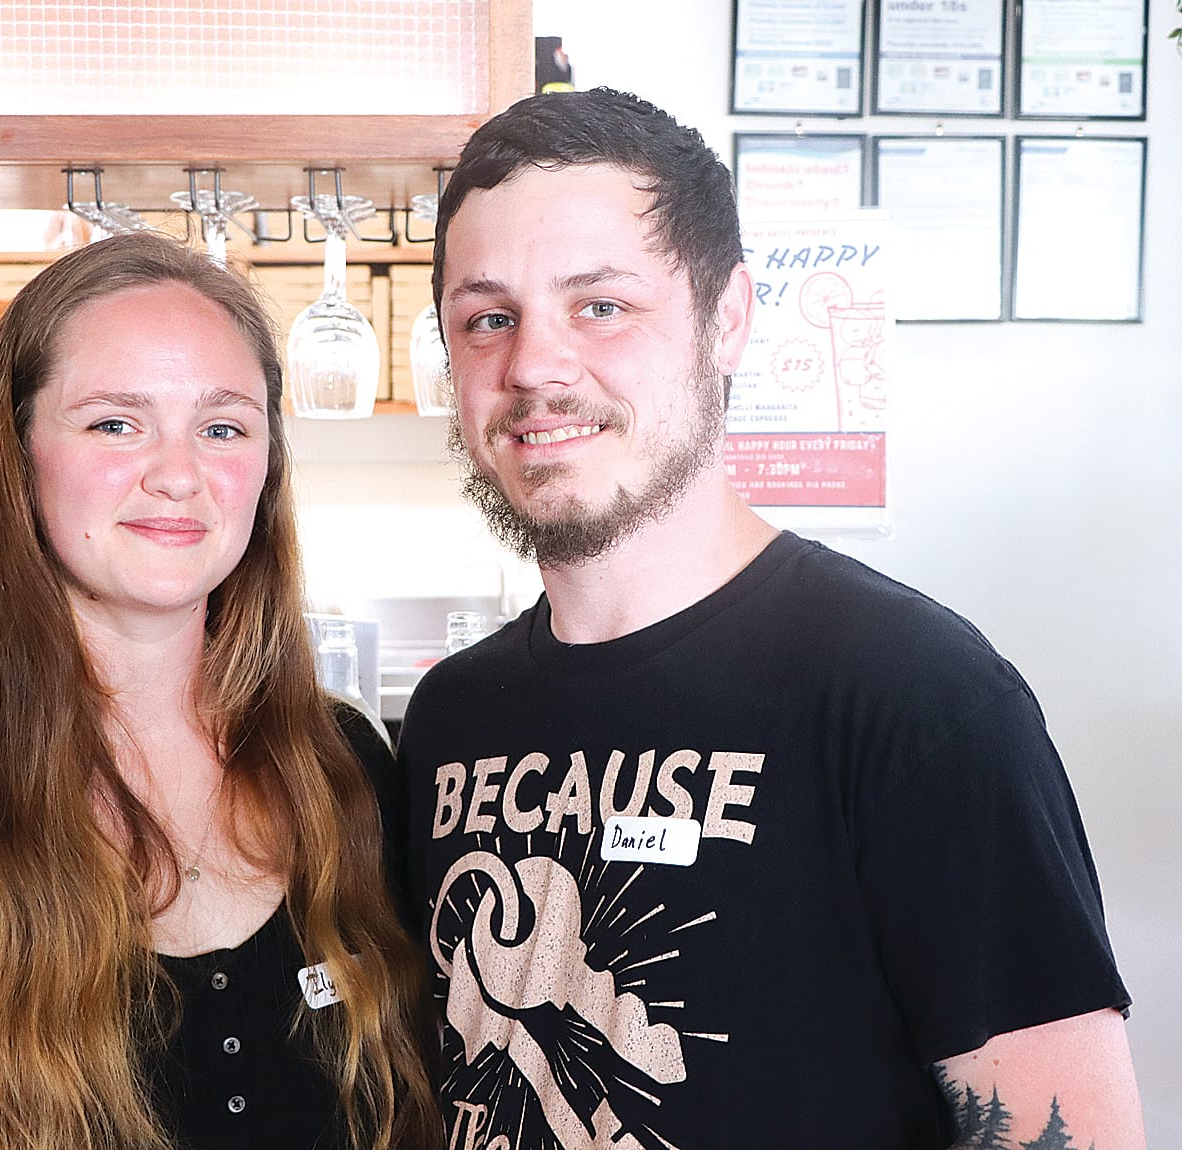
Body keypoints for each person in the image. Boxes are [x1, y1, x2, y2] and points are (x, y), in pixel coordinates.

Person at [399, 88, 1145, 1150]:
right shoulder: (449, 719)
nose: (533, 366)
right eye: (487, 319)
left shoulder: (918, 696)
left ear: (728, 319)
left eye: (600, 306)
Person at [0, 232, 441, 1150]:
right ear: (17, 455)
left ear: (267, 468)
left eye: (223, 427)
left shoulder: (344, 765)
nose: (177, 474)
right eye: (114, 423)